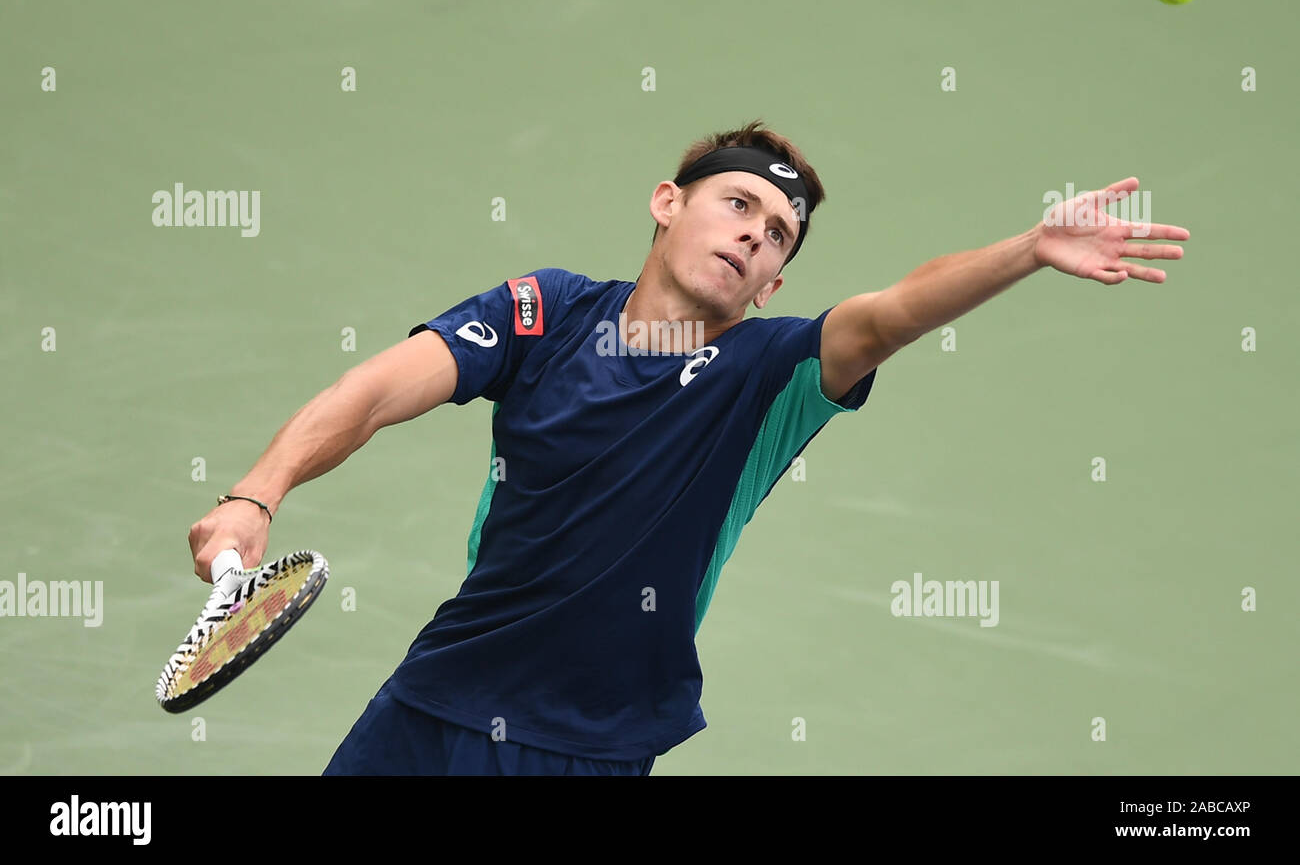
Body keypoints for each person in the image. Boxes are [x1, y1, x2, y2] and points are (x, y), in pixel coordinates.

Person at [186, 120, 1189, 775]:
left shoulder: (773, 375)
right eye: (739, 202)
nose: (757, 233)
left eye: (780, 235)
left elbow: (889, 314)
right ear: (667, 202)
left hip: (587, 746)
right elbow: (373, 391)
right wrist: (257, 491)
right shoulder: (541, 314)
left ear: (772, 288)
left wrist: (1026, 248)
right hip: (431, 699)